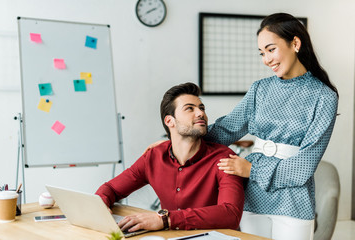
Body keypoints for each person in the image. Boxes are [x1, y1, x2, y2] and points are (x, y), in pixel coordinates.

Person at [204, 13, 338, 240]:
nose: (266, 59)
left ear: (295, 43)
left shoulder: (324, 96)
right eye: (262, 53)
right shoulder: (259, 89)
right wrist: (179, 142)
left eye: (271, 49)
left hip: (294, 199)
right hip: (252, 195)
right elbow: (226, 129)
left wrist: (252, 170)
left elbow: (305, 163)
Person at [96, 82, 244, 233]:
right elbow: (112, 188)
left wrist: (166, 219)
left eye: (201, 108)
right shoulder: (154, 156)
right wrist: (100, 204)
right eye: (189, 109)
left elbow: (230, 214)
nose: (201, 113)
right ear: (169, 121)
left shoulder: (224, 158)